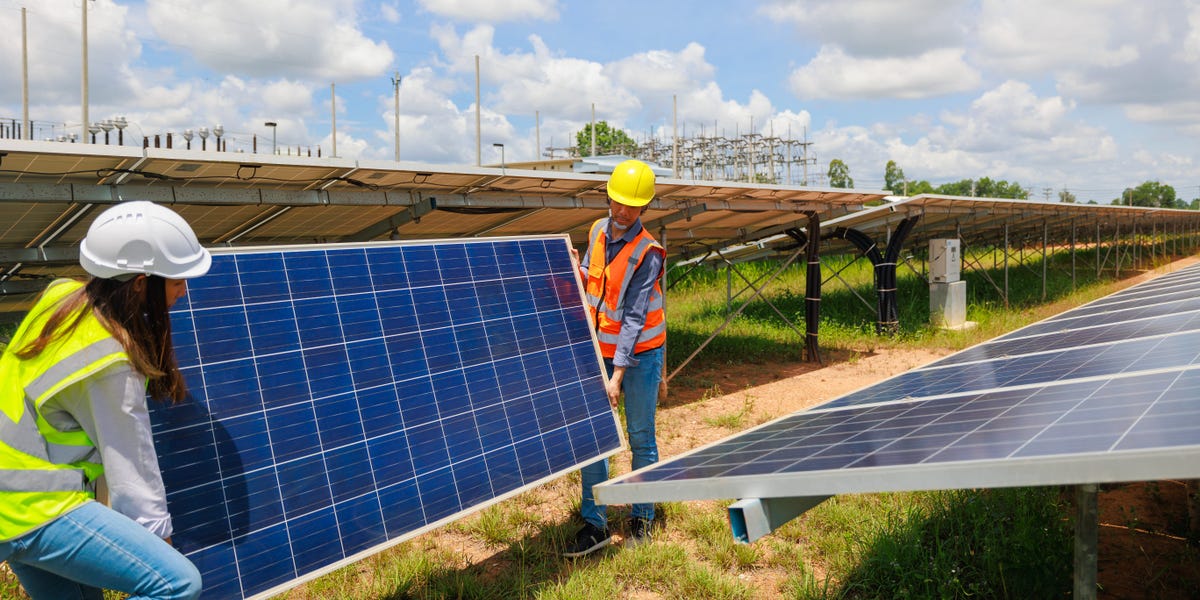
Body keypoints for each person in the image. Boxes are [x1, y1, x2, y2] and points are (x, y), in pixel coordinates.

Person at [0, 201, 209, 599]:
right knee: (178, 584)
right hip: (31, 506)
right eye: (177, 279)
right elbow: (132, 469)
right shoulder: (109, 364)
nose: (184, 288)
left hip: (14, 497)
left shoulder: (61, 296)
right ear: (140, 282)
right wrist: (159, 543)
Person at [564, 159, 667, 558]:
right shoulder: (596, 230)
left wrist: (617, 375)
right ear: (608, 197)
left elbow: (635, 318)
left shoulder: (648, 252)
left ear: (645, 207)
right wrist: (575, 266)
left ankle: (642, 516)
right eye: (618, 202)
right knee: (595, 437)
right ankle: (595, 523)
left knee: (640, 435)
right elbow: (592, 279)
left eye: (633, 206)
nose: (623, 211)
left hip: (640, 353)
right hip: (599, 349)